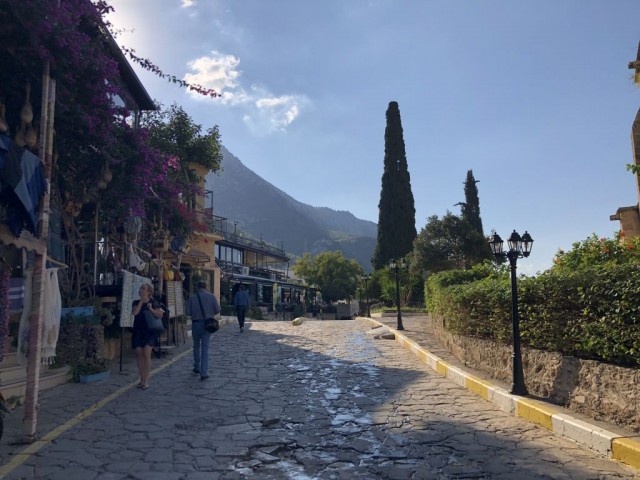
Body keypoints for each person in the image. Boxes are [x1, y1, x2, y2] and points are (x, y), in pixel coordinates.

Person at [131, 283, 164, 390]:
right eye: (141, 288)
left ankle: (146, 381)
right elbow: (135, 313)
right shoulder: (136, 302)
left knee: (146, 353)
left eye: (144, 289)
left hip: (150, 331)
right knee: (139, 354)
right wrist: (141, 301)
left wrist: (151, 309)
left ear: (149, 292)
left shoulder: (153, 302)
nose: (141, 290)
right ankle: (142, 378)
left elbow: (160, 315)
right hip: (138, 331)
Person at [186, 281, 221, 380]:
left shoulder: (192, 298)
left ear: (197, 287)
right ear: (206, 287)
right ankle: (204, 373)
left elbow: (188, 312)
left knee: (196, 346)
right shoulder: (212, 296)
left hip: (196, 324)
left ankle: (196, 368)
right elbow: (217, 310)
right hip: (207, 324)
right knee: (205, 348)